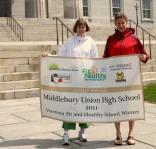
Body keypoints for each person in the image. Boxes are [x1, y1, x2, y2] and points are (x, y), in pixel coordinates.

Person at [43, 19, 98, 145]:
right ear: (76, 28)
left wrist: (94, 71)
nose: (81, 29)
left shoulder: (91, 42)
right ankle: (66, 132)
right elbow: (61, 55)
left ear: (86, 28)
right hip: (71, 79)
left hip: (85, 79)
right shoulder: (69, 41)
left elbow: (95, 59)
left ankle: (83, 130)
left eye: (83, 27)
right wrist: (48, 56)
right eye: (79, 27)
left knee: (84, 105)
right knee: (70, 105)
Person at [103, 13, 149, 145]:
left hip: (131, 79)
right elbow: (105, 57)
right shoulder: (110, 39)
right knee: (116, 105)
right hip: (115, 78)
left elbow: (144, 55)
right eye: (118, 23)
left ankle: (131, 134)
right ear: (115, 24)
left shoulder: (134, 39)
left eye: (123, 23)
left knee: (131, 105)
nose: (121, 25)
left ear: (126, 23)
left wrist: (143, 57)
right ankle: (118, 135)